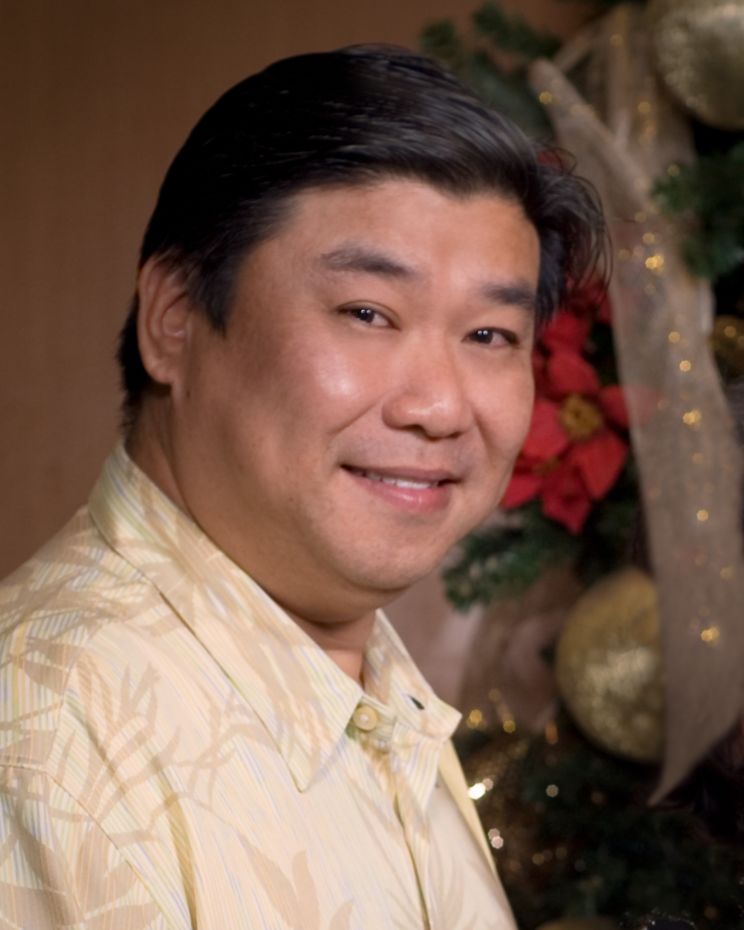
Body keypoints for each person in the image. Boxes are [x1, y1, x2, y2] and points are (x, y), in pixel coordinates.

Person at [0, 44, 603, 929]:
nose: (441, 407)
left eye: (489, 335)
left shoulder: (376, 692)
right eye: (368, 314)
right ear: (173, 318)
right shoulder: (51, 740)